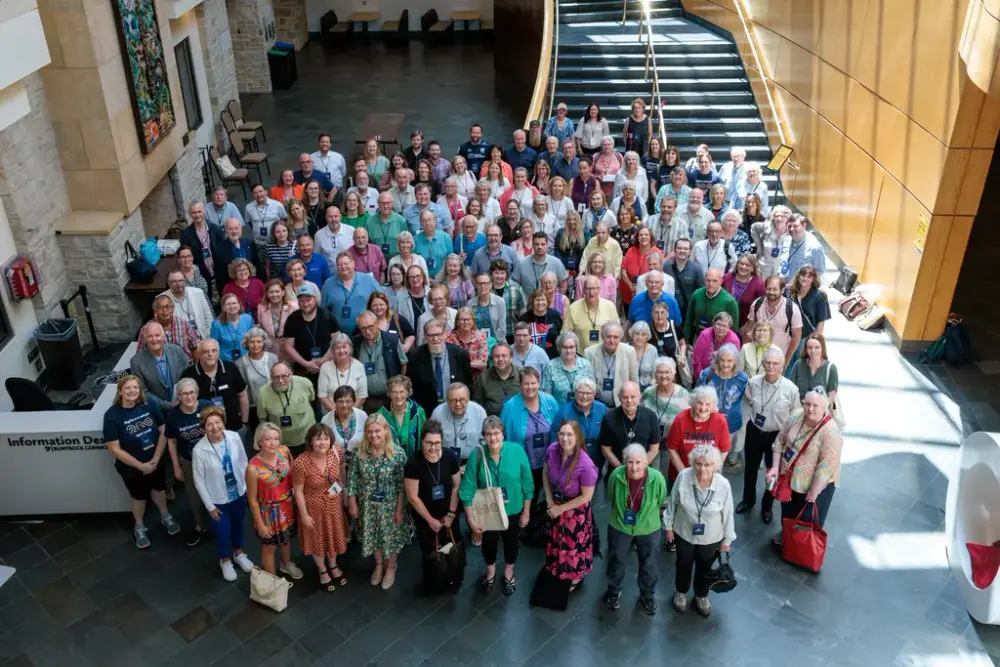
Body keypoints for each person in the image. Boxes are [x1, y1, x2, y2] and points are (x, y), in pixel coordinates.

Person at [460, 417, 534, 596]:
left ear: (503, 434)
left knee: (512, 542)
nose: (493, 438)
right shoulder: (476, 455)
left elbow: (527, 483)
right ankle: (491, 571)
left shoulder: (517, 451)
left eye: (496, 433)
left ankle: (509, 572)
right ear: (483, 436)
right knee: (489, 543)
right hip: (488, 510)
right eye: (488, 434)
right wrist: (470, 519)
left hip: (513, 509)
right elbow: (467, 489)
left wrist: (526, 511)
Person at [104, 375, 179, 548]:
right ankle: (139, 525)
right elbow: (114, 449)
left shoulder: (149, 404)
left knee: (159, 489)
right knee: (138, 496)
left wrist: (155, 459)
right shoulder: (112, 416)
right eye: (128, 388)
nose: (132, 391)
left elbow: (163, 430)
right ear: (120, 391)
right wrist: (141, 466)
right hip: (132, 468)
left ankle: (165, 515)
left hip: (155, 461)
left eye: (135, 387)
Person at [662, 443, 735, 618]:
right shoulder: (683, 476)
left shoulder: (723, 485)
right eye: (699, 463)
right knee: (683, 564)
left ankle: (701, 595)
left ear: (715, 465)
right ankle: (681, 592)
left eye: (708, 464)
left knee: (705, 566)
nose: (703, 469)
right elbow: (672, 503)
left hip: (711, 537)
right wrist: (668, 526)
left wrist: (727, 540)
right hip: (684, 531)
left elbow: (728, 514)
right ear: (693, 463)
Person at [767, 390, 842, 545]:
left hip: (813, 485)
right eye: (807, 404)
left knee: (806, 519)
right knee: (787, 509)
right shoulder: (796, 415)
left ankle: (800, 546)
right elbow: (780, 440)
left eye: (815, 405)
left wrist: (814, 491)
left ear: (824, 407)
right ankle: (786, 533)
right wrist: (775, 467)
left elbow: (826, 466)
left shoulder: (831, 431)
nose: (810, 409)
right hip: (789, 476)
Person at [348, 414, 410, 589]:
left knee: (390, 538)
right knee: (372, 536)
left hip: (390, 505)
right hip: (367, 505)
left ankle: (391, 567)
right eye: (369, 431)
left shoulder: (398, 454)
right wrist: (352, 502)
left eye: (377, 431)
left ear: (386, 430)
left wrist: (399, 509)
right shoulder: (359, 452)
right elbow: (352, 479)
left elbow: (401, 486)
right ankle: (379, 564)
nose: (373, 435)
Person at [737, 346, 799, 522]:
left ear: (782, 366)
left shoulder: (791, 389)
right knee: (750, 469)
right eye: (768, 362)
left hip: (777, 436)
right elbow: (748, 401)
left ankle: (767, 507)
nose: (771, 366)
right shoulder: (754, 382)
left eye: (775, 363)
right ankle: (748, 501)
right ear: (763, 364)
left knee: (773, 472)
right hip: (755, 431)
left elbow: (796, 416)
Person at [192, 405, 254, 580]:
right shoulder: (199, 450)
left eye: (217, 422)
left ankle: (239, 553)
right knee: (222, 532)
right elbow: (199, 481)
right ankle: (225, 560)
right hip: (217, 501)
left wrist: (246, 488)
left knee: (238, 526)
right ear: (204, 428)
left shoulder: (234, 437)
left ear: (223, 422)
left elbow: (243, 462)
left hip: (238, 494)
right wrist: (210, 507)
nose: (215, 427)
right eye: (209, 424)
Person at [604, 444, 667, 615]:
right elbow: (611, 496)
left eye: (638, 462)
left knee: (649, 562)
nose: (634, 467)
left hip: (648, 527)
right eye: (630, 462)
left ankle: (648, 594)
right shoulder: (616, 476)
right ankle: (614, 591)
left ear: (646, 462)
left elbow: (661, 500)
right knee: (616, 560)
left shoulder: (657, 478)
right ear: (625, 462)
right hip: (620, 525)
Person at [405, 419, 463, 593]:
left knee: (453, 547)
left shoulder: (449, 457)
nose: (433, 448)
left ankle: (453, 578)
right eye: (429, 443)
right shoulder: (414, 463)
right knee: (430, 551)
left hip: (449, 512)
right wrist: (430, 520)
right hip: (425, 516)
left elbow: (456, 486)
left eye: (437, 443)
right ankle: (434, 583)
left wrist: (451, 514)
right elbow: (413, 497)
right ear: (421, 441)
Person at [542, 420, 598, 591]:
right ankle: (558, 567)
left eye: (569, 434)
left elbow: (586, 496)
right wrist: (549, 500)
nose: (564, 438)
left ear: (578, 437)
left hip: (575, 510)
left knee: (573, 547)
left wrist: (560, 509)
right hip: (555, 504)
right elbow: (545, 473)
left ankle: (576, 576)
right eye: (561, 433)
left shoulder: (586, 465)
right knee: (556, 540)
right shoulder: (552, 450)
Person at [245, 423, 301, 579]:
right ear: (259, 441)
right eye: (268, 439)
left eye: (276, 439)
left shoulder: (284, 451)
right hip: (268, 513)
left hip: (287, 507)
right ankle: (272, 580)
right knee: (269, 547)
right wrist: (260, 524)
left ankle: (286, 564)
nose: (273, 443)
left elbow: (293, 473)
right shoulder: (253, 468)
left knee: (286, 540)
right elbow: (252, 500)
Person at [500, 367, 561, 490]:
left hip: (549, 463)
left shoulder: (550, 401)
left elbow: (560, 428)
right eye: (526, 383)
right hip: (522, 464)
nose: (530, 387)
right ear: (520, 385)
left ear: (539, 383)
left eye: (533, 383)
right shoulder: (510, 407)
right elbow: (502, 436)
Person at [665, 386, 731, 495]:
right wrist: (684, 474)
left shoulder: (720, 421)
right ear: (693, 403)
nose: (703, 408)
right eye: (700, 403)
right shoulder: (680, 420)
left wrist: (711, 471)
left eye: (708, 404)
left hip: (708, 477)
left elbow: (724, 450)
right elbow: (672, 448)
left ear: (713, 406)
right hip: (680, 473)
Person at [407, 318, 474, 416]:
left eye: (438, 334)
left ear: (445, 334)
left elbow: (468, 386)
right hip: (426, 413)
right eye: (430, 335)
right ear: (425, 336)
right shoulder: (415, 356)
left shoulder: (460, 354)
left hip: (455, 411)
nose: (435, 339)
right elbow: (412, 388)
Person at [181, 339, 250, 432]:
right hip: (204, 432)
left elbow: (242, 395)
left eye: (214, 350)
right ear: (199, 354)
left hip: (234, 427)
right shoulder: (188, 375)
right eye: (206, 351)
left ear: (218, 352)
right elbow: (184, 405)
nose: (210, 354)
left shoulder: (231, 368)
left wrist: (244, 422)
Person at [281, 283, 339, 386]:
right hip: (302, 369)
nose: (305, 304)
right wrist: (306, 364)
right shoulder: (292, 319)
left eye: (308, 300)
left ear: (315, 299)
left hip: (328, 366)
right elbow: (288, 346)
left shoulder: (327, 315)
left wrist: (323, 360)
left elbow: (337, 340)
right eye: (302, 300)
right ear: (298, 302)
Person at [697, 343, 749, 456]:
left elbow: (746, 398)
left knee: (723, 453)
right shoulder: (707, 374)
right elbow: (696, 397)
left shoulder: (742, 378)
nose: (725, 364)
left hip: (731, 424)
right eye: (722, 360)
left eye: (730, 361)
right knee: (706, 455)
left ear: (736, 361)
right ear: (717, 359)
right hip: (707, 423)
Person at [598, 381, 660, 473]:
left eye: (633, 397)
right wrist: (622, 470)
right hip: (617, 471)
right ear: (619, 397)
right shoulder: (609, 417)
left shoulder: (650, 416)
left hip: (643, 471)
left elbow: (654, 449)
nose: (629, 400)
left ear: (639, 397)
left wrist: (639, 468)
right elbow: (606, 449)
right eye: (625, 397)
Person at [256, 361, 317, 455]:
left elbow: (312, 400)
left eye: (284, 376)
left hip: (307, 438)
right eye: (276, 377)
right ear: (271, 377)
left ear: (291, 374)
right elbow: (263, 418)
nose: (280, 381)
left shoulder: (305, 383)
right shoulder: (263, 392)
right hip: (281, 443)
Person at [743, 275, 803, 369]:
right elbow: (748, 330)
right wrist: (745, 355)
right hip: (757, 358)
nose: (771, 292)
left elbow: (796, 337)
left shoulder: (792, 309)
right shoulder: (757, 304)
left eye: (775, 289)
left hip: (778, 359)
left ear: (782, 290)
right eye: (769, 289)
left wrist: (785, 362)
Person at [354, 309, 409, 412]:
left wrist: (397, 386)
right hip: (365, 399)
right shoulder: (355, 343)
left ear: (377, 323)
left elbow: (403, 363)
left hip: (388, 398)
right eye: (363, 328)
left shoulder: (392, 340)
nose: (367, 331)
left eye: (370, 326)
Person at [129, 322, 190, 413]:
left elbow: (190, 376)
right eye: (149, 336)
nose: (154, 339)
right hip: (157, 411)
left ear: (163, 336)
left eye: (157, 335)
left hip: (183, 405)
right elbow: (143, 391)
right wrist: (167, 405)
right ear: (145, 339)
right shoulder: (136, 361)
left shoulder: (177, 351)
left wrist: (184, 398)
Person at [321, 251, 382, 336]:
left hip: (366, 334)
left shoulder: (368, 280)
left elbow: (382, 300)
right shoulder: (328, 284)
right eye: (340, 265)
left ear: (353, 263)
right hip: (339, 336)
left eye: (346, 263)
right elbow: (323, 310)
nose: (343, 267)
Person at [431, 382, 487, 463]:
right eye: (453, 400)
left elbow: (485, 443)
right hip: (445, 462)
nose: (458, 404)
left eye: (462, 400)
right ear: (447, 401)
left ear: (468, 399)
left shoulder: (479, 412)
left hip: (473, 462)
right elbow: (432, 442)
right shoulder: (437, 413)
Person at [585, 322, 638, 407]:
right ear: (602, 337)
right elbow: (586, 382)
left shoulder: (629, 351)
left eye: (616, 337)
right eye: (609, 336)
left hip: (621, 405)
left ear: (620, 338)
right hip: (596, 403)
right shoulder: (589, 352)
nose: (612, 340)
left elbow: (634, 380)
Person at [563, 275, 618, 351]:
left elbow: (617, 332)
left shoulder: (610, 307)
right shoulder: (573, 308)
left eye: (594, 288)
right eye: (588, 288)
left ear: (599, 289)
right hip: (581, 355)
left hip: (605, 353)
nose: (591, 292)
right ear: (583, 290)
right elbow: (565, 334)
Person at [684, 268, 739, 345]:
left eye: (715, 281)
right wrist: (686, 341)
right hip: (699, 339)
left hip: (719, 344)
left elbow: (733, 329)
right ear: (704, 280)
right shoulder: (697, 294)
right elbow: (689, 320)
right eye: (708, 280)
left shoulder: (729, 301)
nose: (711, 284)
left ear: (721, 281)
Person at [641, 356, 690, 443]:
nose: (663, 376)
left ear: (674, 373)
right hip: (649, 441)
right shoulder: (648, 392)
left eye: (667, 372)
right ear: (655, 374)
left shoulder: (684, 395)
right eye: (660, 372)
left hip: (674, 442)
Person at [377, 376, 427, 458]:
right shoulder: (380, 415)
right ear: (389, 394)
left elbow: (425, 437)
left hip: (415, 460)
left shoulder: (418, 412)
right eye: (394, 392)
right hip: (389, 461)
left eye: (402, 392)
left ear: (408, 393)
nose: (398, 396)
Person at [237, 327, 277, 429]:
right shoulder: (240, 363)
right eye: (252, 342)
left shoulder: (273, 358)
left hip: (274, 404)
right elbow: (242, 391)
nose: (255, 345)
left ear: (264, 342)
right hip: (254, 408)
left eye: (259, 341)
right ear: (246, 343)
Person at [180, 202, 222, 300]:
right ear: (190, 214)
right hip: (200, 272)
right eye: (194, 212)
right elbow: (185, 255)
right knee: (205, 298)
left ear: (204, 211)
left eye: (199, 211)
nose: (197, 215)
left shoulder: (215, 229)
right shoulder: (186, 234)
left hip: (218, 269)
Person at [318, 332, 367, 412]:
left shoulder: (359, 366)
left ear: (350, 348)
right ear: (333, 351)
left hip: (354, 414)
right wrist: (338, 413)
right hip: (331, 414)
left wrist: (350, 413)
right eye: (337, 348)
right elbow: (322, 396)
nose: (341, 351)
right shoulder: (325, 367)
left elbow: (362, 396)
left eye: (344, 347)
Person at [540, 331, 594, 402]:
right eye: (564, 347)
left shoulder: (586, 365)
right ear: (559, 348)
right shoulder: (550, 366)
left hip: (582, 407)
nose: (568, 351)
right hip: (558, 408)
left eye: (571, 347)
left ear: (576, 348)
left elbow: (592, 391)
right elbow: (547, 395)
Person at [788, 332, 839, 404]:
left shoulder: (831, 368)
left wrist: (818, 408)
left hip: (821, 409)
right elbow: (790, 390)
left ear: (822, 348)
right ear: (806, 349)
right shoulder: (798, 365)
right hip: (799, 408)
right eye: (810, 347)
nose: (813, 351)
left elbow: (831, 396)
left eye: (817, 347)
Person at [161, 270, 213, 341]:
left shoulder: (198, 293)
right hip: (179, 341)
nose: (178, 284)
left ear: (184, 281)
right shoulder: (162, 299)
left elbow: (208, 316)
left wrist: (208, 336)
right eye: (174, 281)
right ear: (168, 283)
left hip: (201, 337)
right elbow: (162, 325)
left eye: (180, 280)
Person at [472, 343, 522, 417]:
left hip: (519, 419)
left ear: (511, 358)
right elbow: (476, 406)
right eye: (496, 356)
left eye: (504, 356)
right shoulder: (483, 378)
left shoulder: (522, 374)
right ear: (492, 359)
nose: (500, 359)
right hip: (493, 422)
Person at [788, 264, 831, 346]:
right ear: (798, 276)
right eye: (803, 275)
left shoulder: (819, 296)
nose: (805, 278)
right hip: (788, 334)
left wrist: (816, 340)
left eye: (809, 277)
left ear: (813, 279)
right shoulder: (791, 292)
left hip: (805, 337)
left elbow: (821, 321)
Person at [692, 311, 741, 380]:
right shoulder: (704, 335)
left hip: (725, 376)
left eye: (724, 326)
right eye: (718, 324)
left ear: (729, 328)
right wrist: (701, 378)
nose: (720, 328)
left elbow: (735, 362)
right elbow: (697, 359)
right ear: (713, 324)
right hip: (703, 373)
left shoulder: (734, 340)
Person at [446, 307, 489, 384]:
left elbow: (482, 364)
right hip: (457, 380)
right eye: (462, 319)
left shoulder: (480, 336)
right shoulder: (449, 338)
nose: (466, 322)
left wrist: (462, 365)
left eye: (468, 319)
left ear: (473, 321)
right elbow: (451, 364)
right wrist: (473, 364)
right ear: (457, 321)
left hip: (477, 379)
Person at [723, 253, 766, 328]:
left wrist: (749, 327)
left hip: (744, 326)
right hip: (723, 322)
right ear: (737, 264)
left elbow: (761, 308)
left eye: (748, 265)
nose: (743, 267)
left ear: (753, 268)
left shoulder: (759, 284)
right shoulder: (726, 278)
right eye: (741, 263)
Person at [321, 385, 367, 454]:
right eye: (340, 401)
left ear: (354, 402)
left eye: (348, 401)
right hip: (334, 458)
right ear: (335, 402)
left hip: (359, 457)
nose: (344, 405)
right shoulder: (326, 420)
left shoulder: (362, 416)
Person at [362, 192, 408, 261]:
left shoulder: (401, 220)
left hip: (397, 261)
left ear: (392, 204)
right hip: (376, 260)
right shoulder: (369, 222)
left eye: (388, 203)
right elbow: (366, 244)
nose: (386, 206)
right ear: (378, 204)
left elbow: (406, 242)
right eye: (383, 203)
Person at [665, 238, 705, 317]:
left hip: (688, 312)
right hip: (668, 310)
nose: (682, 251)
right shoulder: (666, 267)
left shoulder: (696, 269)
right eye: (679, 248)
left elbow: (701, 293)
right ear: (674, 250)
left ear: (690, 252)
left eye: (685, 249)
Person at [488, 260, 527, 340]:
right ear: (491, 274)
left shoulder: (516, 288)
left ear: (506, 274)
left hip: (513, 334)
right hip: (492, 335)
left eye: (502, 273)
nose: (499, 276)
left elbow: (523, 313)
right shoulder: (486, 290)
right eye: (496, 273)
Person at [781, 214, 827, 280]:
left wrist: (804, 283)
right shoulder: (786, 241)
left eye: (795, 226)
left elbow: (820, 270)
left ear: (804, 226)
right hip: (783, 283)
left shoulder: (815, 247)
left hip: (799, 286)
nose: (791, 229)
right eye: (789, 226)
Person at [212, 293, 255, 362]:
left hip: (246, 359)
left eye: (234, 303)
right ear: (223, 307)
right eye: (228, 304)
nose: (232, 306)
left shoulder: (248, 319)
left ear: (239, 305)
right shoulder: (216, 324)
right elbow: (213, 345)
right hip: (226, 361)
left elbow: (253, 339)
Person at [256, 279, 297, 353]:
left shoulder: (293, 307)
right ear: (267, 294)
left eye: (277, 291)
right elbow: (262, 328)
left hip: (290, 349)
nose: (274, 295)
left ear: (283, 292)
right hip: (270, 349)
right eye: (271, 292)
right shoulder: (261, 308)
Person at [752, 205, 790, 279]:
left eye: (782, 216)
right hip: (763, 269)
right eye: (776, 216)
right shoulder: (767, 227)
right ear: (773, 217)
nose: (779, 219)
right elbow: (754, 228)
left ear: (787, 218)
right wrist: (759, 246)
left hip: (779, 273)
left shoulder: (791, 232)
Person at [222, 259, 265, 323]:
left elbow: (266, 301)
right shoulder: (228, 288)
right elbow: (225, 309)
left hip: (260, 321)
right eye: (239, 270)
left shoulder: (258, 283)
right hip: (238, 323)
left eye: (245, 269)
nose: (242, 272)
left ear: (249, 270)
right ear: (234, 272)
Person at [246, 184, 288, 248]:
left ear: (266, 192)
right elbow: (249, 222)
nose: (259, 195)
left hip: (276, 242)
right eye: (255, 193)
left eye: (260, 191)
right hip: (259, 243)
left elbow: (284, 220)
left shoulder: (277, 205)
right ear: (253, 195)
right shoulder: (249, 207)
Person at [470, 270, 508, 341]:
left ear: (491, 285)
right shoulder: (471, 303)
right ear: (476, 285)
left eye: (485, 283)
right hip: (477, 342)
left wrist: (493, 343)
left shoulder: (500, 302)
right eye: (480, 283)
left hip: (498, 342)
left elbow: (502, 328)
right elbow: (470, 327)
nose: (482, 286)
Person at [310, 133, 346, 200]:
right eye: (322, 142)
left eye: (327, 142)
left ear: (330, 144)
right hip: (318, 193)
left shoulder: (339, 157)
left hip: (337, 192)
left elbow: (343, 173)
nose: (324, 144)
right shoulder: (311, 158)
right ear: (319, 143)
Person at [629, 321, 659, 391]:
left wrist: (649, 388)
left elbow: (655, 375)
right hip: (628, 389)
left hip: (647, 389)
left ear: (647, 336)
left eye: (643, 334)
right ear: (632, 335)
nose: (640, 337)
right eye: (637, 334)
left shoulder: (652, 350)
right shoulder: (625, 348)